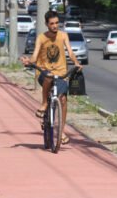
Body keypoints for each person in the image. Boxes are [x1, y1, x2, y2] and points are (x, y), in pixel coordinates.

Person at [20, 10, 82, 144]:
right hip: (44, 72)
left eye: (57, 23)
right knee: (48, 76)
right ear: (46, 24)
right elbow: (35, 56)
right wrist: (29, 61)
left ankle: (61, 131)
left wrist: (76, 62)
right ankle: (44, 103)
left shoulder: (63, 36)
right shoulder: (41, 38)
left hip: (61, 73)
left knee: (63, 99)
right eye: (52, 23)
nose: (55, 26)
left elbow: (70, 52)